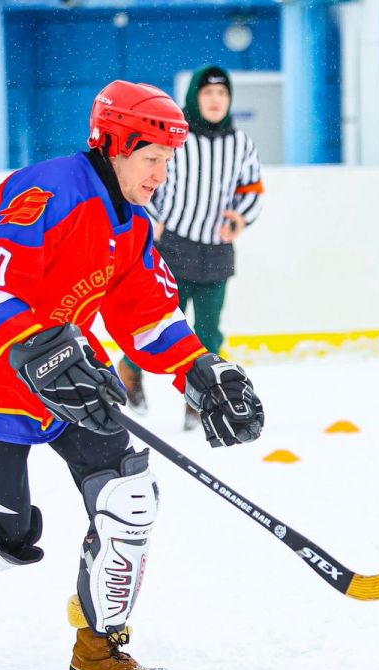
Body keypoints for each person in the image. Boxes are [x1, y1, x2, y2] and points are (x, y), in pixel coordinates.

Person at [0, 80, 264, 670]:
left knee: (129, 496)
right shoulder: (42, 192)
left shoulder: (131, 223)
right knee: (3, 543)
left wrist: (200, 371)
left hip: (74, 379)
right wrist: (33, 349)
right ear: (118, 143)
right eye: (153, 158)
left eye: (167, 161)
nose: (161, 174)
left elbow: (146, 315)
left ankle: (98, 647)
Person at [119, 65, 265, 426]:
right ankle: (130, 368)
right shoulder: (175, 139)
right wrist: (154, 216)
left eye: (222, 94)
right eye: (208, 93)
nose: (215, 100)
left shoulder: (241, 143)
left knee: (209, 330)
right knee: (160, 324)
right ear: (193, 99)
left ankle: (200, 399)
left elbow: (252, 189)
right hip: (174, 247)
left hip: (217, 248)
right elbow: (148, 176)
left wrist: (241, 218)